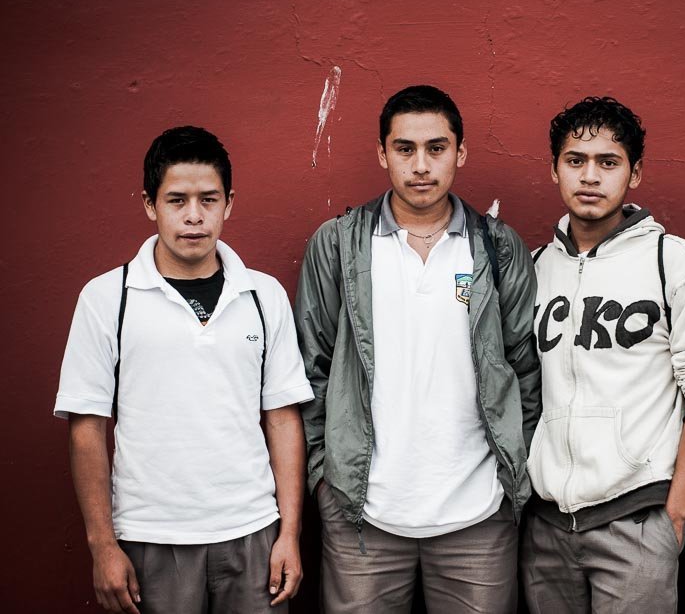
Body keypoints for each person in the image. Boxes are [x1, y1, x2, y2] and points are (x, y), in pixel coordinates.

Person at [295, 84, 540, 613]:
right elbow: (310, 370)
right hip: (362, 515)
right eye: (405, 149)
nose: (421, 164)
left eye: (437, 148)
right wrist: (324, 481)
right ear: (383, 154)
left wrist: (509, 483)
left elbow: (527, 369)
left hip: (478, 517)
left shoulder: (498, 247)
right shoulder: (338, 244)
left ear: (461, 153)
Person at [55, 126, 312, 614]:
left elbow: (282, 418)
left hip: (253, 532)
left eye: (208, 199)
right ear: (150, 204)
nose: (194, 216)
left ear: (228, 203)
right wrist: (102, 546)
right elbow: (87, 428)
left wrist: (290, 533)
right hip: (151, 537)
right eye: (177, 200)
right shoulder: (107, 298)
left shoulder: (263, 295)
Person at [521, 96, 685, 613]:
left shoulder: (673, 260)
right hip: (548, 527)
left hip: (638, 521)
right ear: (555, 169)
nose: (590, 176)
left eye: (608, 162)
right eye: (576, 161)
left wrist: (676, 514)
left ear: (635, 173)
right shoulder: (534, 268)